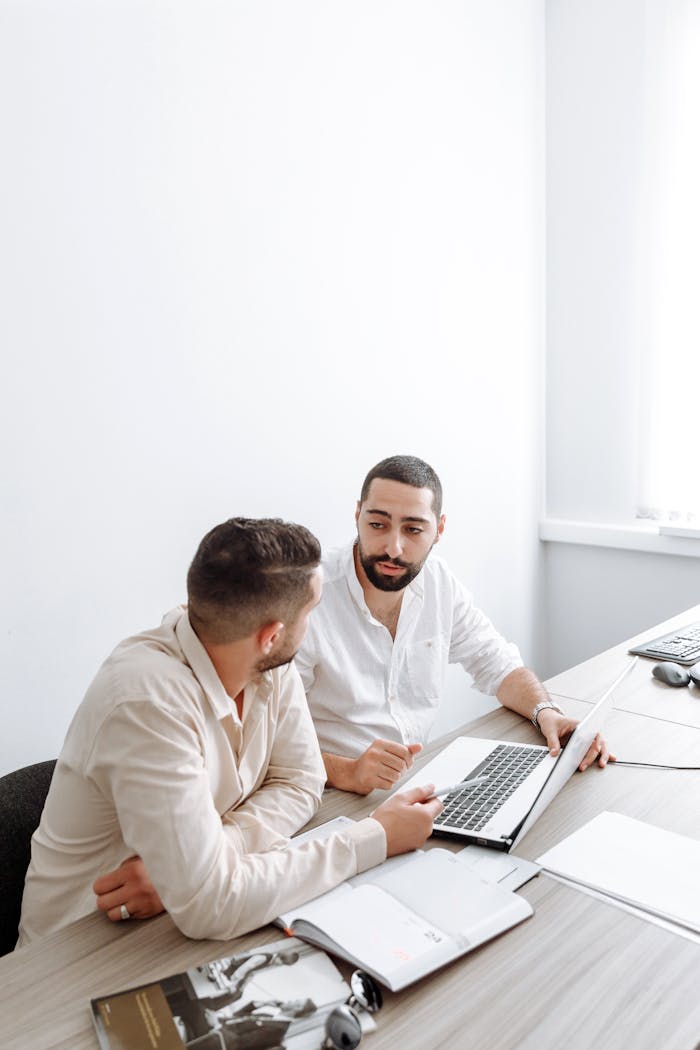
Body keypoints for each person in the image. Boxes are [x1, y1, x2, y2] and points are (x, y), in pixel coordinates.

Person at [17, 517, 442, 945]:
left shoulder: (261, 659)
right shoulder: (147, 704)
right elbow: (212, 904)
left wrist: (213, 856)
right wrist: (376, 837)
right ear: (271, 636)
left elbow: (301, 780)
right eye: (311, 612)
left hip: (172, 926)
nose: (313, 625)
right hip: (76, 956)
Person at [294, 455, 614, 794]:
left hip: (410, 785)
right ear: (357, 515)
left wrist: (547, 713)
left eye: (413, 529)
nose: (393, 547)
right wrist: (347, 772)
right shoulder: (308, 595)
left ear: (439, 530)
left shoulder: (438, 582)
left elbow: (496, 663)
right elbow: (268, 736)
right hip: (325, 792)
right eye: (378, 525)